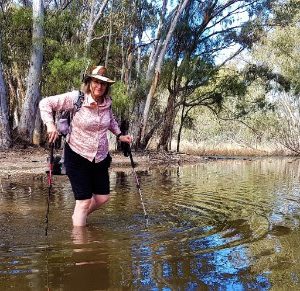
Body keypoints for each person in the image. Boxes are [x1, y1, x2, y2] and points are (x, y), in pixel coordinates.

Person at [39, 65, 132, 227]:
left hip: (101, 157)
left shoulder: (107, 103)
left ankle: (78, 217)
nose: (100, 86)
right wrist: (50, 125)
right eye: (96, 82)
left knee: (103, 197)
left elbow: (111, 121)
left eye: (103, 84)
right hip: (77, 155)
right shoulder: (77, 98)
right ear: (89, 82)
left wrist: (120, 136)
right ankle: (80, 245)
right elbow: (45, 103)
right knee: (83, 201)